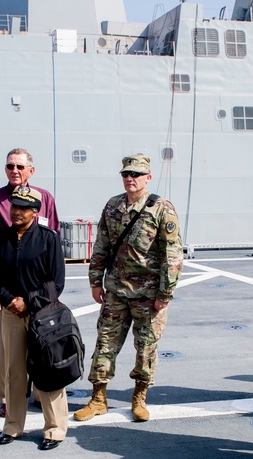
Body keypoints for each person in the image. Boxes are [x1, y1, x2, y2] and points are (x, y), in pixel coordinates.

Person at [73, 154, 182, 423]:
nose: (130, 179)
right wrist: (95, 281)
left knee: (146, 348)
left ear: (148, 177)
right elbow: (101, 246)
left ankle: (139, 398)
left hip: (148, 296)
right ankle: (98, 398)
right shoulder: (112, 206)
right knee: (105, 345)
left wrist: (164, 294)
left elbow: (173, 254)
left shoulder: (162, 209)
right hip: (116, 292)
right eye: (126, 174)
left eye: (135, 174)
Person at [0, 186, 68, 450]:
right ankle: (13, 426)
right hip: (10, 313)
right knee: (14, 371)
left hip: (42, 313)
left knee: (49, 368)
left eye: (23, 208)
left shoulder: (48, 238)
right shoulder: (1, 239)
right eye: (14, 206)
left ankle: (54, 429)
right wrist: (10, 300)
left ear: (34, 211)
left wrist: (27, 301)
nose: (17, 212)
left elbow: (56, 282)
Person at [0, 148, 60, 417]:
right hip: (7, 294)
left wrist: (42, 295)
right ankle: (7, 397)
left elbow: (53, 240)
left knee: (44, 344)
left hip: (40, 295)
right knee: (9, 349)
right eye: (10, 166)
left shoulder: (46, 198)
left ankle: (40, 392)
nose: (15, 171)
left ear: (31, 170)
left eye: (20, 167)